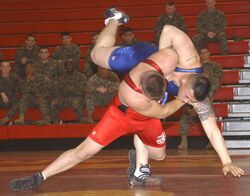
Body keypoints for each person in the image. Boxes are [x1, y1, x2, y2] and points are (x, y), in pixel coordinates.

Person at [9, 8, 186, 191]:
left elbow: (173, 44)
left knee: (159, 155)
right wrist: (183, 98)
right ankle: (39, 177)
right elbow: (164, 110)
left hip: (147, 111)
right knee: (84, 151)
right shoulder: (131, 88)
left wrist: (186, 85)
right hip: (122, 112)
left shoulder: (170, 71)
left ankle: (140, 165)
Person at [178, 48, 222, 150]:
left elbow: (216, 82)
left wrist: (207, 80)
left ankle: (212, 141)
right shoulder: (195, 67)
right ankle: (183, 141)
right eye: (201, 53)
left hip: (207, 95)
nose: (203, 54)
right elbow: (188, 84)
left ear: (209, 53)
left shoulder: (215, 66)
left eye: (205, 52)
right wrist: (191, 107)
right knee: (185, 115)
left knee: (208, 111)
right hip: (193, 96)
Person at [50, 59, 87, 124]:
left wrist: (69, 90)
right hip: (65, 98)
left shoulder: (81, 76)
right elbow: (58, 91)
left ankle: (81, 122)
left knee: (76, 103)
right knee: (54, 103)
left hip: (77, 98)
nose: (69, 66)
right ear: (65, 67)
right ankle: (56, 123)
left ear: (74, 66)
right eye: (67, 65)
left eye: (70, 65)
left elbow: (82, 90)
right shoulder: (61, 78)